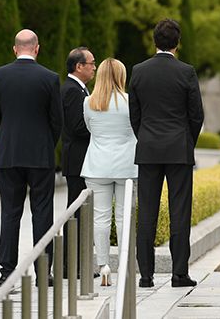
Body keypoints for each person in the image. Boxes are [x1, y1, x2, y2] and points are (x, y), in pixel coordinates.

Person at [129, 18, 204, 288]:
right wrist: (187, 141)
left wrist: (145, 137)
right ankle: (179, 273)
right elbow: (196, 115)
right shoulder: (186, 71)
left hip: (148, 147)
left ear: (154, 41)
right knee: (179, 212)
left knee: (146, 212)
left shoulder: (138, 70)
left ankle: (146, 275)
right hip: (178, 148)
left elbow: (134, 114)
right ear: (178, 42)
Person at [0, 29, 62, 287]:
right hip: (40, 154)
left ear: (14, 49)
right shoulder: (50, 78)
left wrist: (7, 140)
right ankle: (43, 271)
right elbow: (57, 120)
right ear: (37, 48)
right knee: (42, 213)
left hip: (9, 154)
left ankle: (7, 271)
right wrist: (46, 144)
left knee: (10, 212)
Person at [81, 58, 138, 285]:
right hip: (126, 164)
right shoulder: (130, 102)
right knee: (125, 217)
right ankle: (124, 265)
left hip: (97, 164)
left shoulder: (89, 102)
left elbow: (89, 128)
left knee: (101, 217)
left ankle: (103, 265)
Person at [61, 47, 96, 275]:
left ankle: (74, 263)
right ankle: (72, 265)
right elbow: (77, 126)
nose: (94, 67)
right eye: (91, 63)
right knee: (76, 212)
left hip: (80, 158)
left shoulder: (79, 89)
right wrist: (101, 129)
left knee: (79, 211)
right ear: (79, 66)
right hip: (77, 159)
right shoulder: (73, 91)